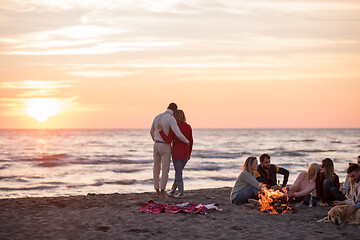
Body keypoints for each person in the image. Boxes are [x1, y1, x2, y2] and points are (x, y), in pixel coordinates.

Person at [150, 103, 189, 198]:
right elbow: (178, 134)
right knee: (165, 170)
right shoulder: (171, 119)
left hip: (156, 144)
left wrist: (155, 140)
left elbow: (151, 131)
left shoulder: (157, 117)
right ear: (174, 111)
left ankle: (157, 191)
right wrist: (186, 141)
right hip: (165, 145)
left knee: (156, 169)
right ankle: (162, 192)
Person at [158, 110, 193, 198]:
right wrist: (189, 154)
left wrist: (161, 132)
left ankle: (181, 193)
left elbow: (168, 140)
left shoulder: (174, 127)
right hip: (185, 153)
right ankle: (173, 191)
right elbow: (191, 141)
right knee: (179, 173)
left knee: (178, 173)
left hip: (177, 153)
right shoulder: (188, 126)